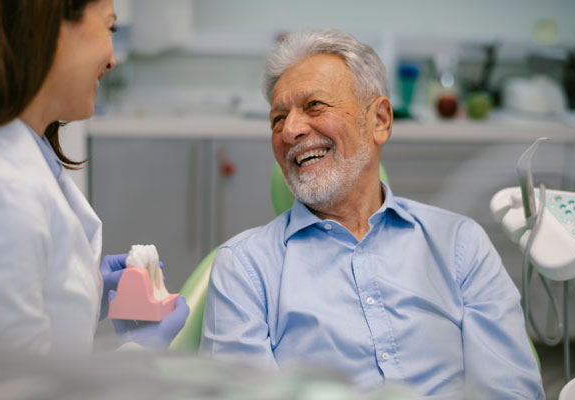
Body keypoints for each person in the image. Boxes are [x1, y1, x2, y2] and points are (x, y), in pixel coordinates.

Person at [200, 30, 544, 398]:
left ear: (379, 120)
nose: (290, 131)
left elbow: (510, 391)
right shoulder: (245, 268)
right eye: (277, 119)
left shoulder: (459, 244)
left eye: (314, 105)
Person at [0, 0, 189, 356]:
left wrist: (87, 288)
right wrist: (140, 355)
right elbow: (16, 387)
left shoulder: (30, 158)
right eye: (110, 28)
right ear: (52, 30)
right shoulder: (3, 190)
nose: (112, 59)